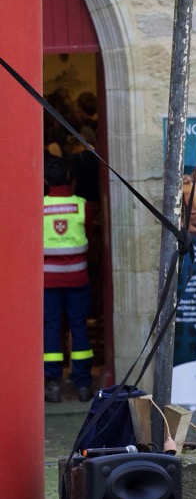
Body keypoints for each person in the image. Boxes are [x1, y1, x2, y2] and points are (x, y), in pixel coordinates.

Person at [43, 157, 94, 403]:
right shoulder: (82, 206)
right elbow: (90, 237)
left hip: (48, 280)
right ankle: (83, 384)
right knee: (79, 327)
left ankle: (53, 384)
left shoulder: (38, 207)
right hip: (77, 277)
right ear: (69, 179)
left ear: (45, 180)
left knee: (51, 327)